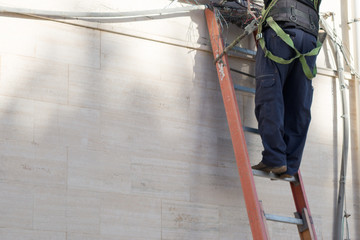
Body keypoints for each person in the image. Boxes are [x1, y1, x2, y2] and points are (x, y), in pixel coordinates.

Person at [251, 0, 322, 178]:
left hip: (280, 30)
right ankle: (290, 165)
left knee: (270, 94)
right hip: (309, 38)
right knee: (299, 101)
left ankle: (274, 158)